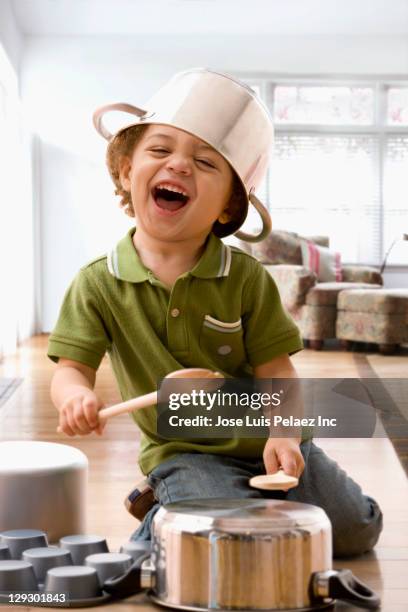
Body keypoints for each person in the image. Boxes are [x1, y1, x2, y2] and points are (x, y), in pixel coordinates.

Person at [48, 68, 382, 557]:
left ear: (228, 207)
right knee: (226, 537)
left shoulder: (246, 277)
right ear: (126, 171)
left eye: (205, 162)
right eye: (160, 151)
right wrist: (73, 396)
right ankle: (164, 516)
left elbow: (277, 372)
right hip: (185, 450)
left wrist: (285, 433)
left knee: (356, 532)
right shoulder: (97, 282)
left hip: (277, 440)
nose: (179, 166)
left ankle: (182, 512)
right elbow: (70, 369)